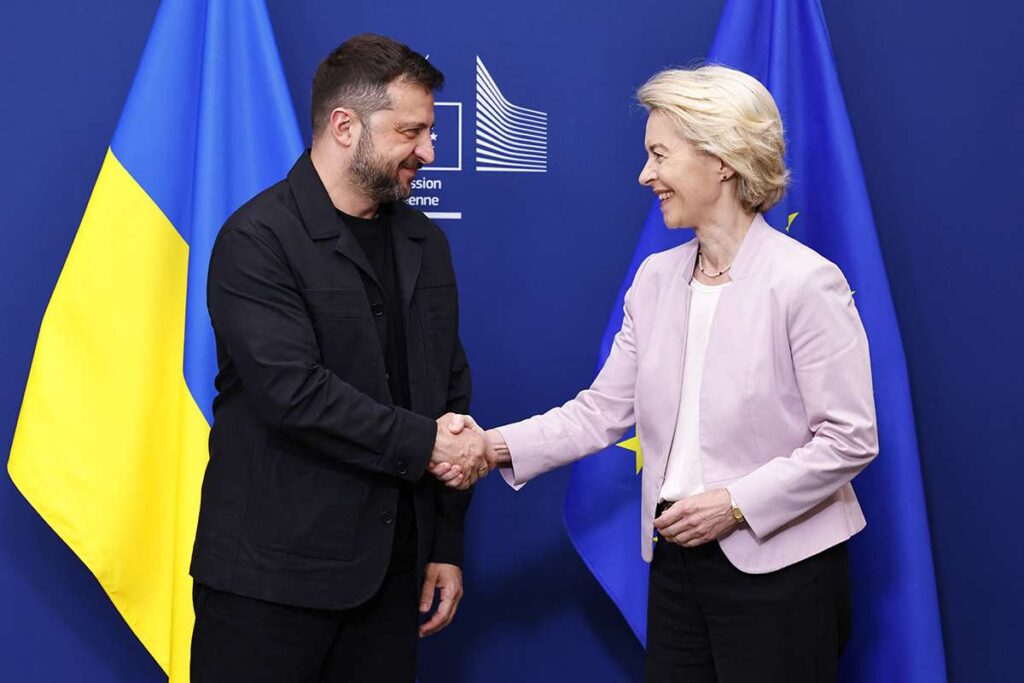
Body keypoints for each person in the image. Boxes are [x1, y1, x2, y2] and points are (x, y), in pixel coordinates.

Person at [439, 65, 878, 682]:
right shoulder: (655, 280)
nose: (646, 175)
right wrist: (491, 446)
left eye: (658, 155)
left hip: (784, 570)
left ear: (722, 159)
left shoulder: (806, 283)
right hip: (675, 564)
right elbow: (601, 412)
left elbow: (849, 437)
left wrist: (736, 504)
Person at [189, 34, 490, 682]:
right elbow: (294, 393)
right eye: (411, 131)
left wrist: (443, 541)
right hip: (268, 586)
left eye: (430, 131)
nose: (429, 152)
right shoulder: (256, 238)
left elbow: (449, 389)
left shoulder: (425, 243)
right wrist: (431, 444)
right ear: (344, 126)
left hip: (390, 582)